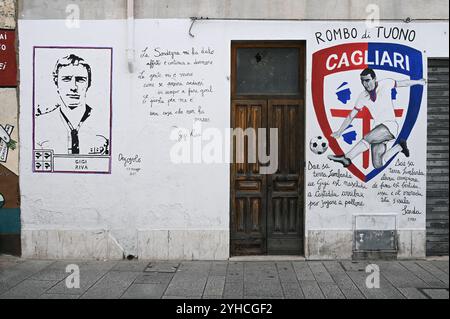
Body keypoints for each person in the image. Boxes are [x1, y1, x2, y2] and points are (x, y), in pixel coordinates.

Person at [328, 68, 426, 169]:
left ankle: (347, 158)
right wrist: (339, 131)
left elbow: (403, 83)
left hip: (390, 126)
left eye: (367, 80)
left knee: (368, 138)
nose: (365, 84)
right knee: (377, 165)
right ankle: (399, 147)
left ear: (374, 79)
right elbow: (350, 116)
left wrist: (419, 82)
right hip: (377, 130)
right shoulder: (362, 96)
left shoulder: (386, 84)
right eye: (362, 81)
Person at [35, 54, 109, 155]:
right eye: (66, 79)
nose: (73, 87)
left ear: (89, 84)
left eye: (80, 80)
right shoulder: (39, 125)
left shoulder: (105, 123)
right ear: (56, 83)